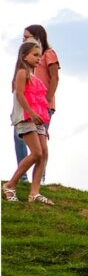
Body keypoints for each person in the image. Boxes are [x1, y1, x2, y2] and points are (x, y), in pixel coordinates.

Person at [3, 41, 54, 205]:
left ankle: (34, 192)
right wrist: (31, 113)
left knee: (43, 154)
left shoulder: (35, 78)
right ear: (24, 56)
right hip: (25, 117)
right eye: (35, 55)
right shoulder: (22, 72)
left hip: (37, 120)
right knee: (36, 153)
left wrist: (44, 125)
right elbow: (20, 95)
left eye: (40, 55)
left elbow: (39, 102)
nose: (38, 59)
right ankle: (10, 185)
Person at [14, 24, 60, 183]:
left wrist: (47, 101)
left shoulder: (48, 54)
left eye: (27, 37)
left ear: (37, 37)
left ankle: (40, 179)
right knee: (20, 138)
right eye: (24, 37)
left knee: (40, 146)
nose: (24, 39)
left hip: (42, 106)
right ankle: (23, 178)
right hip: (28, 105)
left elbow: (55, 78)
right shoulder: (25, 63)